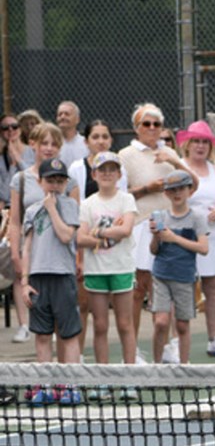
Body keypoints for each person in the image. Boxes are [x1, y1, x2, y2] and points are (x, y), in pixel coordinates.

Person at [118, 103, 195, 363]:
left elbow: (193, 184)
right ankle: (134, 352)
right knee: (139, 289)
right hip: (141, 225)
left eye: (157, 124)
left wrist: (174, 160)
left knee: (168, 287)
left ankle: (166, 349)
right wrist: (146, 188)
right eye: (146, 124)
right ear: (136, 128)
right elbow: (118, 196)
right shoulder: (125, 155)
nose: (152, 129)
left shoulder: (169, 153)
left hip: (170, 226)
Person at [20, 158, 82, 404]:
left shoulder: (69, 206)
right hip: (38, 278)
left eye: (59, 181)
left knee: (68, 335)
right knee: (42, 335)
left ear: (66, 183)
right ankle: (44, 384)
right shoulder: (32, 211)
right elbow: (27, 248)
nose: (54, 186)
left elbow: (67, 236)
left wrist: (53, 208)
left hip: (63, 276)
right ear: (40, 182)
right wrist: (25, 282)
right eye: (50, 180)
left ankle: (70, 384)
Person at [8, 122, 75, 346]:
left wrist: (79, 258)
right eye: (44, 143)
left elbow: (74, 222)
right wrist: (16, 254)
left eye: (54, 144)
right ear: (33, 145)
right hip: (33, 255)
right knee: (40, 322)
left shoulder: (68, 180)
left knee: (65, 330)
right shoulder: (20, 180)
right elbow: (15, 221)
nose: (49, 147)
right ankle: (23, 325)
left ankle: (67, 379)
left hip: (61, 258)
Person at [68, 120, 130, 357]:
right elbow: (76, 214)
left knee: (116, 319)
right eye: (95, 137)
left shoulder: (118, 175)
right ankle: (80, 358)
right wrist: (80, 253)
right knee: (83, 306)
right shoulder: (76, 169)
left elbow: (122, 219)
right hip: (84, 249)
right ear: (86, 142)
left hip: (114, 256)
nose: (101, 141)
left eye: (105, 136)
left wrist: (104, 235)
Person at [177, 120, 215, 358]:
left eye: (205, 142)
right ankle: (177, 343)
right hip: (186, 239)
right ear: (188, 144)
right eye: (196, 141)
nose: (201, 146)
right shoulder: (179, 167)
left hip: (214, 238)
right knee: (182, 290)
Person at [76, 152, 137, 377]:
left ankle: (130, 377)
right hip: (96, 271)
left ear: (119, 174)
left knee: (124, 324)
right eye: (102, 169)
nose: (107, 173)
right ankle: (102, 378)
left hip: (121, 268)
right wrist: (110, 236)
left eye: (112, 169)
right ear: (94, 174)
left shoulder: (126, 200)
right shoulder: (87, 204)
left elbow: (126, 229)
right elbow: (81, 238)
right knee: (100, 325)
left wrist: (99, 232)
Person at [150, 170, 209, 365]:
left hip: (184, 276)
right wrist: (156, 236)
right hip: (161, 274)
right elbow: (154, 250)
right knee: (161, 322)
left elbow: (203, 248)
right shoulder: (161, 216)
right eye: (172, 190)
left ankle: (184, 366)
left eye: (181, 188)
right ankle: (156, 366)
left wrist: (174, 238)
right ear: (166, 193)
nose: (177, 194)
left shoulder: (197, 217)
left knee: (182, 324)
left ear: (189, 190)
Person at [56, 101, 88, 168]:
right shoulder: (51, 144)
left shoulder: (86, 144)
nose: (62, 117)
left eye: (67, 114)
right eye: (60, 114)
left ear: (77, 119)